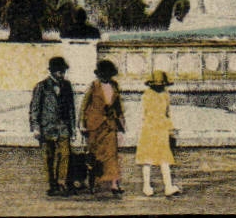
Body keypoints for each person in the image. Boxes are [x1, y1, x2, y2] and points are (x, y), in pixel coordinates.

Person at [29, 55, 77, 197]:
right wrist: (36, 127)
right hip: (47, 127)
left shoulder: (67, 86)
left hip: (63, 126)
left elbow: (71, 109)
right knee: (49, 157)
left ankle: (62, 183)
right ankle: (52, 184)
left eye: (63, 71)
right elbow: (35, 108)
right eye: (59, 71)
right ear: (52, 71)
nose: (62, 74)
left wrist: (73, 128)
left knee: (65, 154)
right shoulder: (41, 86)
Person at [81, 59, 126, 194]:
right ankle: (93, 182)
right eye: (103, 74)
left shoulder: (115, 86)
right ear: (99, 74)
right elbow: (84, 106)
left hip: (110, 124)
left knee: (112, 155)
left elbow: (118, 106)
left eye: (108, 74)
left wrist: (121, 123)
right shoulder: (93, 87)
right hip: (94, 125)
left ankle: (114, 183)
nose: (105, 76)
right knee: (95, 155)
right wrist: (83, 124)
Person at [137, 70, 181, 197]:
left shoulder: (155, 95)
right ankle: (157, 186)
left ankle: (159, 186)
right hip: (155, 128)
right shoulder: (155, 95)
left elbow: (164, 113)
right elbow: (161, 114)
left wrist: (170, 128)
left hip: (154, 128)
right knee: (156, 158)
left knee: (157, 158)